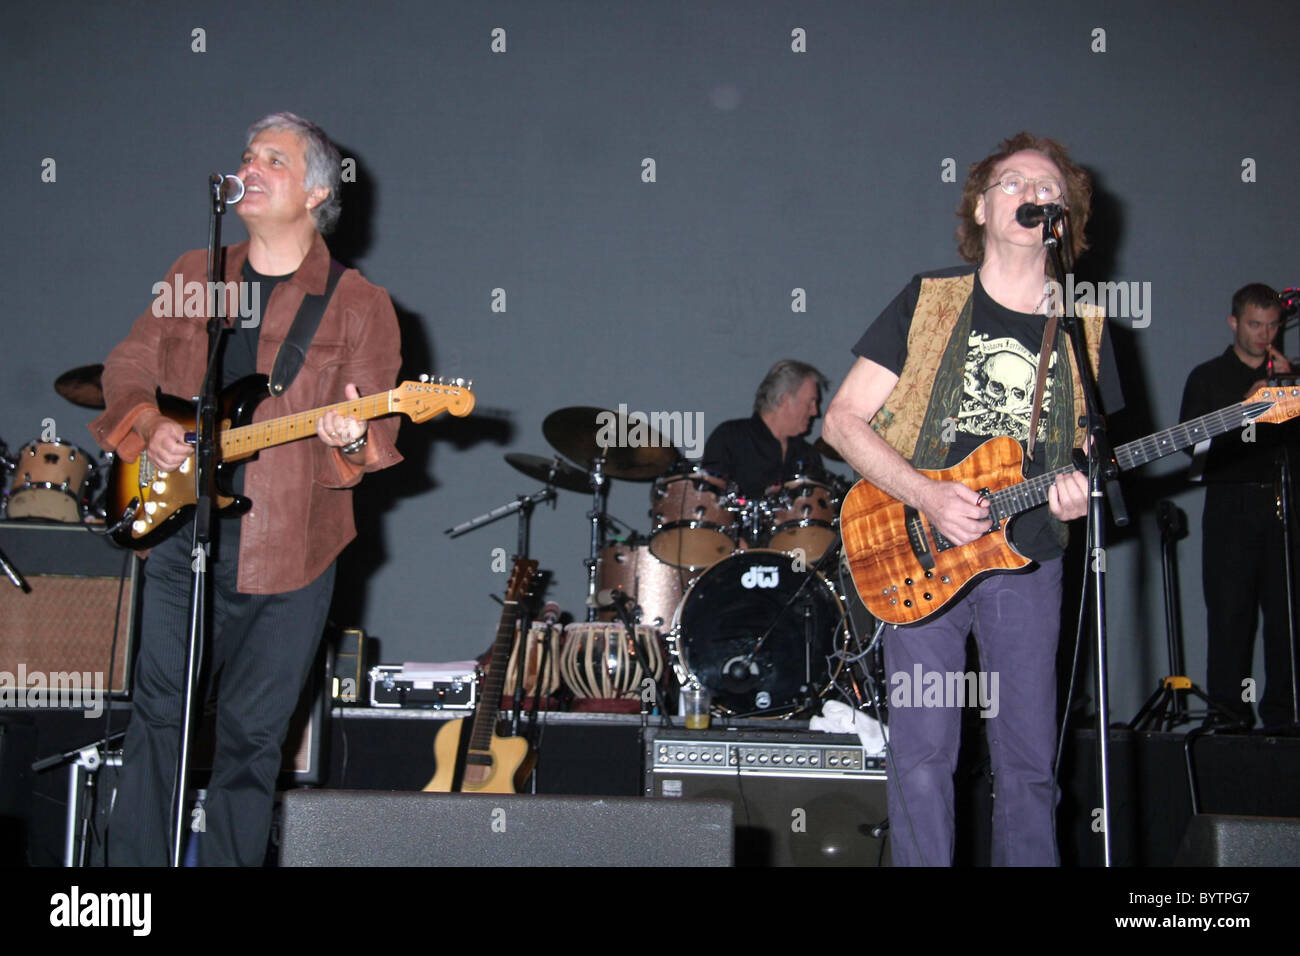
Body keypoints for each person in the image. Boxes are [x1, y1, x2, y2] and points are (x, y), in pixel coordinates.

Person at [89, 112, 403, 865]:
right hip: (179, 531)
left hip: (295, 548)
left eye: (275, 159)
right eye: (247, 156)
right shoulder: (195, 274)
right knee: (159, 717)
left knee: (253, 741)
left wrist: (350, 435)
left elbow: (378, 435)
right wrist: (145, 422)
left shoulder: (360, 303)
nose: (250, 168)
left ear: (319, 190)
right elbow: (127, 365)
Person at [822, 132, 1122, 866]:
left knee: (1028, 764)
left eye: (1045, 186)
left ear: (1065, 215)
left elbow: (1092, 451)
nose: (1028, 192)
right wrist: (926, 494)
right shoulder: (930, 301)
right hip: (918, 549)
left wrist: (1078, 495)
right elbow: (840, 421)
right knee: (924, 754)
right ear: (983, 208)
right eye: (1011, 182)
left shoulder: (1084, 325)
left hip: (1029, 559)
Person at [1180, 283, 1299, 730]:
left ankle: (1285, 719)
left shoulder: (1291, 375)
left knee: (1287, 621)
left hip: (1285, 509)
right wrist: (1247, 407)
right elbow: (1191, 446)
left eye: (1272, 326)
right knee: (1230, 617)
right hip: (1232, 510)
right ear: (1234, 323)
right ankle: (1228, 718)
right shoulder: (1208, 377)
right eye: (1254, 324)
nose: (1264, 334)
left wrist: (1291, 394)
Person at [701, 359, 829, 500]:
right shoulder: (730, 438)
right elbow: (709, 501)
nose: (815, 412)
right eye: (811, 402)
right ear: (785, 400)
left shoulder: (808, 455)